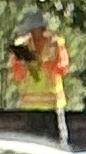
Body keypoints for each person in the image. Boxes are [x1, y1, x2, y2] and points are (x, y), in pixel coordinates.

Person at [10, 9, 70, 144]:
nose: (37, 33)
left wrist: (45, 61)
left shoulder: (55, 44)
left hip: (52, 105)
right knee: (32, 145)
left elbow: (62, 68)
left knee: (56, 145)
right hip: (30, 106)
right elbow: (17, 74)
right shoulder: (22, 46)